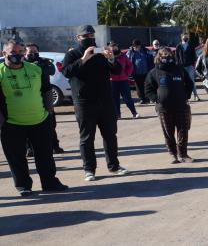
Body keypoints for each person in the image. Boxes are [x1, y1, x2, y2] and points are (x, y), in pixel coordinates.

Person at [1, 40, 68, 196]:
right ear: (4, 54)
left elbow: (46, 90)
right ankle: (23, 186)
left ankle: (49, 183)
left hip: (39, 120)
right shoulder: (0, 72)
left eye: (20, 52)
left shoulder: (36, 69)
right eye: (12, 53)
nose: (17, 55)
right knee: (17, 158)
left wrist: (49, 112)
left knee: (45, 155)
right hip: (11, 124)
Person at [62, 25, 128, 181]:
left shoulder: (100, 53)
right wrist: (84, 58)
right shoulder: (72, 54)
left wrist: (111, 58)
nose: (89, 38)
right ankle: (89, 170)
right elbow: (67, 72)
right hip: (84, 103)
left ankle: (114, 166)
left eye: (91, 35)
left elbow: (117, 71)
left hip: (105, 101)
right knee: (87, 138)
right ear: (78, 38)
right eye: (85, 36)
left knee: (110, 136)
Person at [145, 48, 195, 164]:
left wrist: (186, 95)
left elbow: (190, 83)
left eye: (169, 55)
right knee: (168, 132)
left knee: (183, 130)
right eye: (164, 55)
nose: (167, 57)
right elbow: (148, 89)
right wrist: (156, 99)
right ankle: (173, 155)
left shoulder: (179, 70)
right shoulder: (154, 72)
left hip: (181, 106)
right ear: (159, 57)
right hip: (164, 108)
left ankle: (183, 154)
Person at [23, 43, 64, 154]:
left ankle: (55, 145)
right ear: (25, 53)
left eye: (35, 52)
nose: (33, 54)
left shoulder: (44, 61)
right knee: (28, 122)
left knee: (50, 121)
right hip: (28, 95)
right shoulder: (21, 63)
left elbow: (51, 71)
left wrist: (37, 67)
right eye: (30, 52)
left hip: (45, 93)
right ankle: (29, 148)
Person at [108, 42, 138, 119]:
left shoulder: (123, 56)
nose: (114, 49)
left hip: (123, 80)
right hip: (112, 81)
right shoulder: (108, 57)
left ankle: (134, 113)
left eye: (115, 47)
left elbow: (130, 65)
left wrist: (127, 74)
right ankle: (118, 115)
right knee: (115, 99)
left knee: (127, 98)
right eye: (112, 47)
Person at [176, 33, 200, 102]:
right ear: (181, 38)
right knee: (182, 82)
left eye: (186, 37)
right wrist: (178, 66)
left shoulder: (191, 46)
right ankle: (184, 97)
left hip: (189, 66)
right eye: (184, 37)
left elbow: (194, 56)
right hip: (181, 67)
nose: (185, 38)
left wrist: (193, 65)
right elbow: (176, 57)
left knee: (192, 81)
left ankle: (196, 95)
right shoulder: (178, 46)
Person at [127, 40, 153, 104]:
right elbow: (127, 60)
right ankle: (142, 99)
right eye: (134, 47)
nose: (135, 48)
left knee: (147, 86)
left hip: (146, 72)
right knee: (139, 87)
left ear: (139, 46)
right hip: (136, 73)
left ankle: (148, 98)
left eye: (136, 47)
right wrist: (130, 51)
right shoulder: (130, 52)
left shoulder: (145, 51)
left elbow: (151, 58)